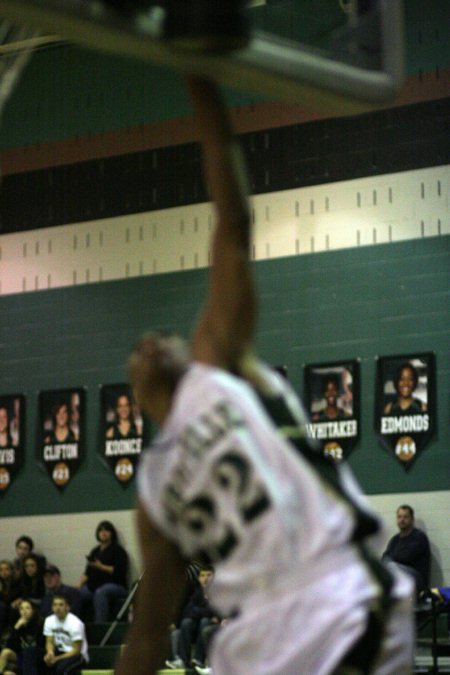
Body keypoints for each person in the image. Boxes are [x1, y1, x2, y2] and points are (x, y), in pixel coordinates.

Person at [115, 78, 414, 675]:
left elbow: (233, 223)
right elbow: (148, 634)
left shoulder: (217, 367)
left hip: (335, 596)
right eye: (138, 351)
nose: (150, 343)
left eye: (163, 338)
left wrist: (200, 88)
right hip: (253, 638)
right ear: (138, 398)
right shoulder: (152, 493)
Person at [166, 565, 219, 670]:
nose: (205, 579)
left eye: (209, 575)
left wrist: (200, 613)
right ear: (198, 578)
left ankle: (198, 660)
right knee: (186, 622)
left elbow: (216, 612)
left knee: (204, 621)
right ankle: (182, 660)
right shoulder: (197, 593)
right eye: (202, 576)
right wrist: (204, 612)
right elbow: (188, 612)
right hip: (197, 629)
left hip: (209, 626)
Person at [21, 594, 88, 674]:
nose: (57, 608)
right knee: (30, 652)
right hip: (58, 652)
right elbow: (49, 642)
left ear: (67, 607)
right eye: (55, 605)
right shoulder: (49, 620)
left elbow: (76, 650)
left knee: (60, 668)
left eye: (61, 605)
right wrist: (50, 653)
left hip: (76, 656)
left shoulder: (75, 623)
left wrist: (57, 658)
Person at [76, 521, 128, 623]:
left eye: (106, 530)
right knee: (77, 594)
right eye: (101, 530)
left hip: (116, 585)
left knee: (100, 593)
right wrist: (78, 585)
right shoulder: (95, 551)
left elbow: (120, 571)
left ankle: (100, 627)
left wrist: (101, 566)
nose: (103, 533)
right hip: (94, 585)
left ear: (112, 533)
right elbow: (87, 572)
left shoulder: (118, 550)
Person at [382, 504, 431, 595]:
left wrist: (392, 558)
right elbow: (384, 558)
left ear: (412, 519)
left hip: (416, 579)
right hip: (398, 575)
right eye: (399, 517)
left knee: (391, 566)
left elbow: (405, 557)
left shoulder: (419, 537)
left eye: (405, 517)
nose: (402, 520)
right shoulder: (395, 539)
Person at [0, 599, 44, 675]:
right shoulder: (19, 623)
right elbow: (9, 646)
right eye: (21, 608)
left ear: (33, 610)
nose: (24, 611)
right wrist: (16, 627)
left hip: (35, 656)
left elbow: (41, 645)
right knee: (5, 652)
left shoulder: (40, 624)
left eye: (27, 608)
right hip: (22, 655)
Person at [0, 561, 20, 643]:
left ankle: (12, 635)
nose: (4, 572)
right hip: (3, 607)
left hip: (13, 607)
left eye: (7, 569)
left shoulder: (17, 582)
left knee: (12, 608)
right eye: (1, 570)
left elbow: (20, 595)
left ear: (12, 571)